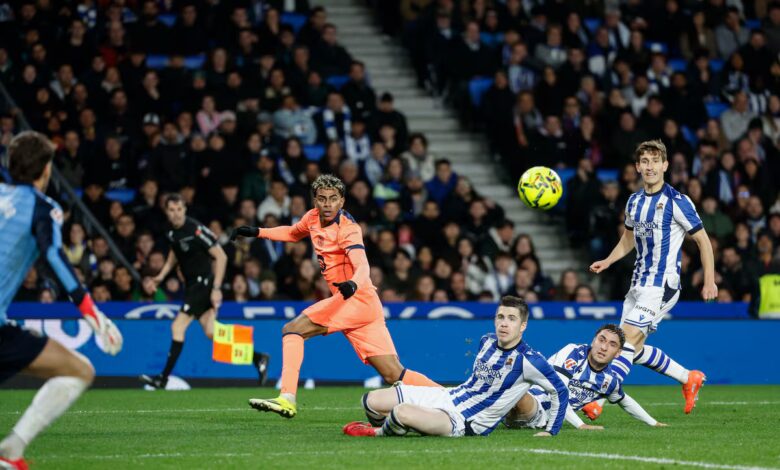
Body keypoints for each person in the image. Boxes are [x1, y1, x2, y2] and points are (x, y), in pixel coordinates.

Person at [231, 174, 438, 419]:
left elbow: (363, 266)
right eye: (322, 199)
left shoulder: (348, 229)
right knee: (393, 373)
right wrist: (257, 232)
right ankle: (453, 399)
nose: (327, 204)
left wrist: (352, 283)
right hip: (366, 304)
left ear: (342, 201)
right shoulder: (312, 218)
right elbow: (292, 233)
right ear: (315, 201)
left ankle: (287, 398)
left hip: (354, 298)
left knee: (292, 329)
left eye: (333, 199)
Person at [0, 131, 123, 469]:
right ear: (46, 169)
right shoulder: (43, 209)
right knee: (79, 371)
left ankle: (10, 453)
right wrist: (92, 314)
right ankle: (11, 449)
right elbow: (54, 257)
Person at [589, 139, 715, 418]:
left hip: (663, 285)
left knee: (622, 341)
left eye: (655, 161)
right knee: (631, 349)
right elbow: (628, 239)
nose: (650, 167)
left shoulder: (677, 201)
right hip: (638, 284)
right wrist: (608, 260)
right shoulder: (634, 201)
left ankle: (596, 399)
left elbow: (703, 242)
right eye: (645, 161)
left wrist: (710, 281)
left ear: (665, 165)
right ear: (637, 167)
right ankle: (688, 377)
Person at [341, 296, 568, 438]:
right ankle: (402, 426)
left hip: (465, 421)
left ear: (523, 326)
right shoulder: (487, 341)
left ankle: (378, 433)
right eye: (500, 317)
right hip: (449, 396)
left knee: (401, 412)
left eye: (511, 318)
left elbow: (559, 390)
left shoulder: (530, 360)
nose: (504, 323)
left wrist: (551, 431)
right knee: (370, 401)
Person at [140, 194, 269, 390]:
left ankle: (162, 378)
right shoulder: (171, 231)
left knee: (177, 327)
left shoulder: (195, 229)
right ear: (166, 212)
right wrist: (160, 277)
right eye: (171, 210)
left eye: (179, 209)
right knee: (211, 332)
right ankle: (258, 358)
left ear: (185, 209)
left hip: (203, 284)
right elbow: (175, 253)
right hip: (192, 286)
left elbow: (221, 257)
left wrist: (216, 288)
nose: (176, 214)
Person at [505, 324, 666, 431]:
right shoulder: (573, 353)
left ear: (618, 353)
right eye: (601, 340)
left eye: (612, 344)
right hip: (533, 402)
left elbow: (625, 401)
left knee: (513, 392)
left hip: (539, 416)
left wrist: (654, 423)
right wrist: (580, 425)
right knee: (514, 379)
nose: (604, 347)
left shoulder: (609, 381)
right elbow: (558, 392)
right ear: (593, 341)